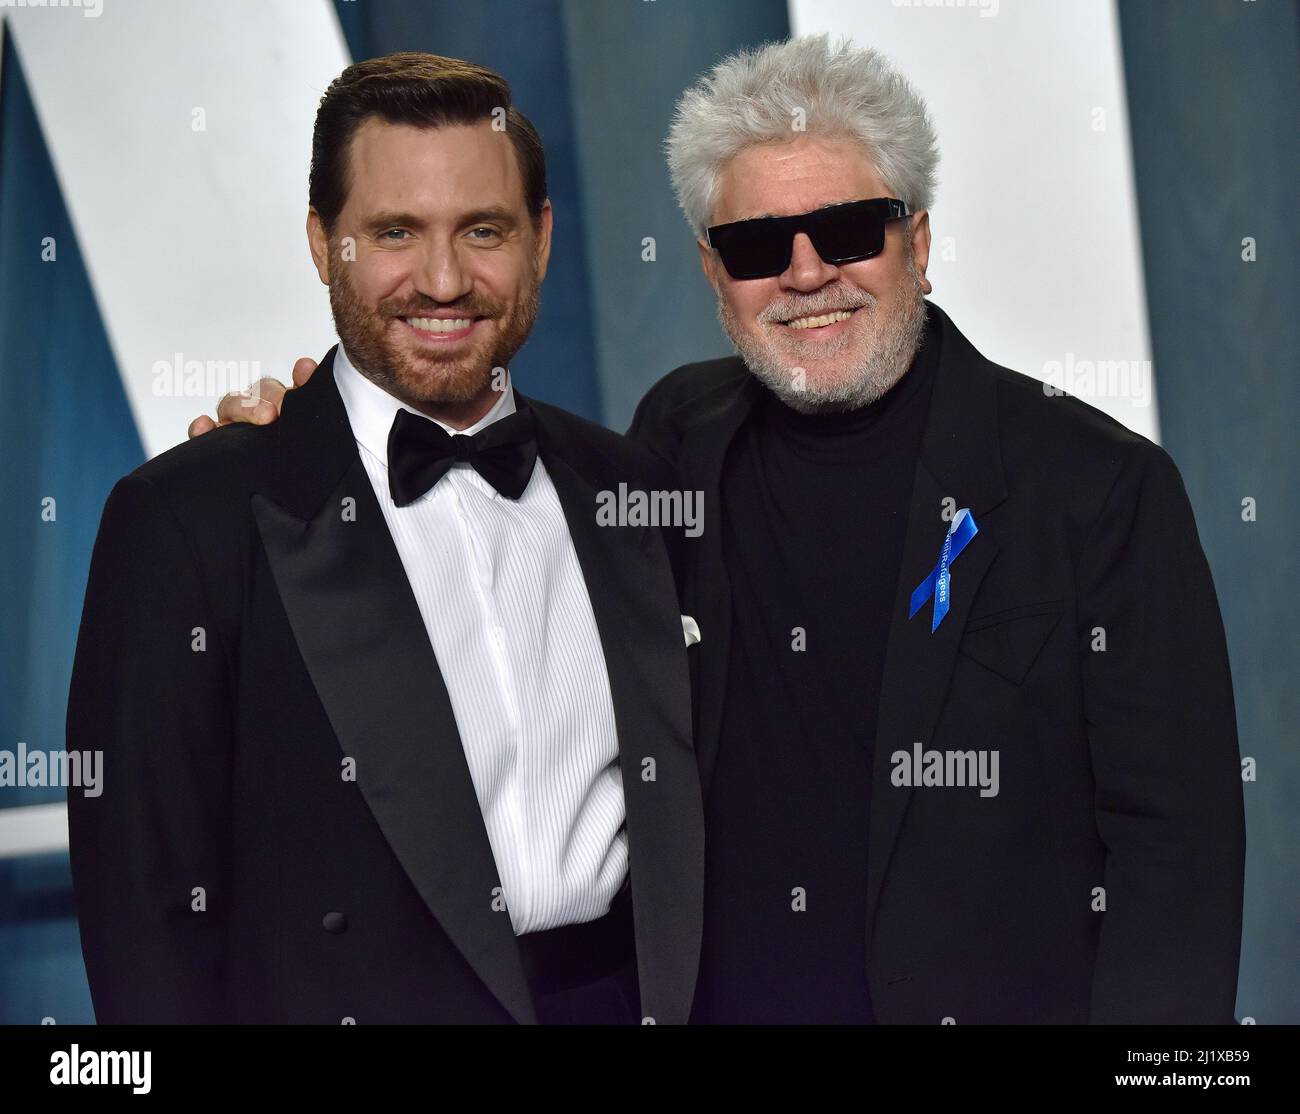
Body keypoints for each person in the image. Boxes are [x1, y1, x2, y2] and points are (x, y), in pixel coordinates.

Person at [194, 36, 1246, 1024]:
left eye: (845, 231)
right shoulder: (670, 444)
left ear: (915, 240)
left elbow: (1178, 856)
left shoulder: (1097, 487)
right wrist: (303, 438)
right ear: (712, 272)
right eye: (754, 245)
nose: (803, 273)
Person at [67, 52, 704, 1025]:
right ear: (325, 244)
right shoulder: (189, 520)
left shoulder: (628, 484)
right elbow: (146, 920)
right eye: (394, 232)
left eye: (482, 230)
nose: (443, 280)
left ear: (539, 238)